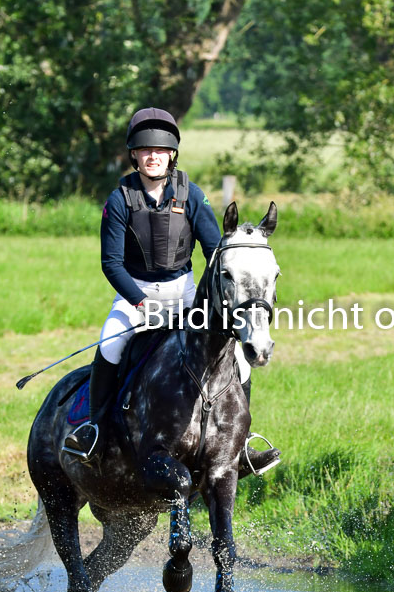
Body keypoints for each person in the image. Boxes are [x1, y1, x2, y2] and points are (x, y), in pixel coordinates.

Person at [63, 107, 279, 477]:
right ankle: (93, 431)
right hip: (136, 295)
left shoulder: (191, 195)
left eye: (160, 152)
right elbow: (111, 264)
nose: (153, 156)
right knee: (110, 345)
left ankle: (239, 446)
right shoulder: (119, 200)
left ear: (171, 155)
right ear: (134, 155)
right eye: (145, 150)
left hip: (185, 294)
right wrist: (139, 301)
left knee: (239, 358)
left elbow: (215, 251)